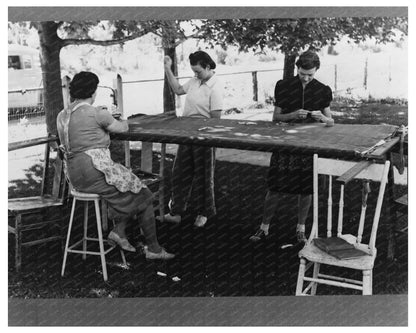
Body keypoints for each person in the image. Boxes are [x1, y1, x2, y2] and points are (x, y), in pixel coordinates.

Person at [56, 71, 174, 260]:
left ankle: (119, 231)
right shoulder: (97, 113)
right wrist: (118, 118)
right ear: (93, 92)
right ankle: (154, 249)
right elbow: (122, 128)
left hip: (74, 177)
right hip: (94, 172)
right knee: (143, 195)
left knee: (128, 185)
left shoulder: (61, 115)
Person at [250, 50, 333, 243]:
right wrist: (293, 115)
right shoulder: (284, 86)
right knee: (275, 187)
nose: (305, 78)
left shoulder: (322, 90)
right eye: (302, 73)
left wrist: (323, 118)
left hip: (309, 145)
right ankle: (264, 227)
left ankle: (300, 230)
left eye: (310, 75)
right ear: (297, 68)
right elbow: (276, 117)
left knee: (306, 189)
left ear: (316, 71)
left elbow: (331, 121)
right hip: (285, 144)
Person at [163, 51, 223, 227]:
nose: (195, 74)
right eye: (193, 71)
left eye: (198, 71)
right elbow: (178, 89)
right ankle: (177, 211)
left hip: (205, 136)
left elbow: (216, 118)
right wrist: (168, 68)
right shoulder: (194, 81)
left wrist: (203, 132)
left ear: (207, 66)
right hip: (187, 133)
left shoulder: (215, 86)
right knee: (179, 172)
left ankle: (204, 212)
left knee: (204, 176)